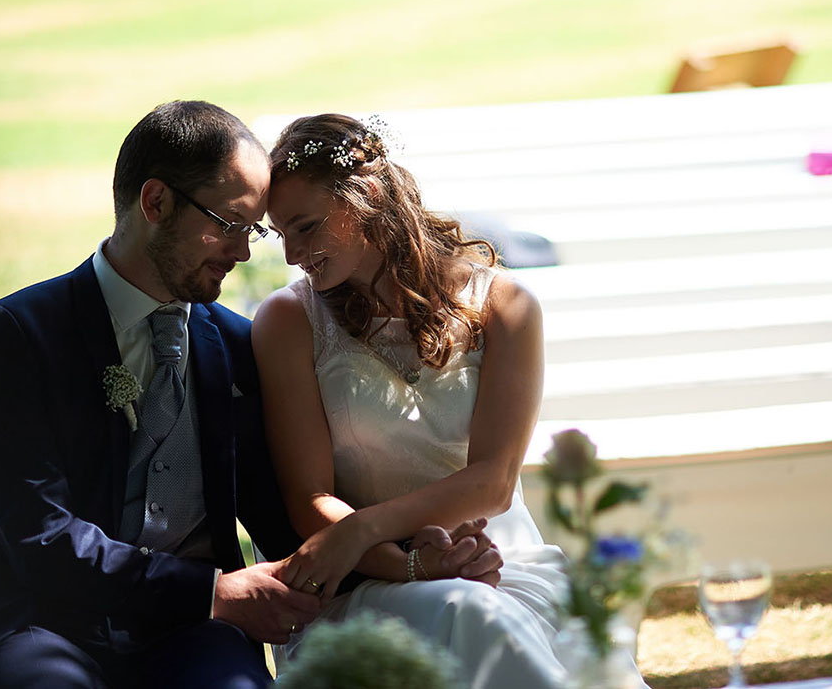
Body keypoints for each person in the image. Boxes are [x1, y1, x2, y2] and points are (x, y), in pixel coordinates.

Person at [0, 101, 497, 689]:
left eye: (253, 230)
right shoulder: (19, 334)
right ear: (156, 203)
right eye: (230, 223)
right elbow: (39, 537)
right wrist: (211, 591)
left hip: (192, 635)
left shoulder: (235, 345)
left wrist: (417, 560)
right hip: (41, 623)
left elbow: (288, 522)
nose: (246, 252)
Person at [252, 113, 649, 688]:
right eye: (280, 232)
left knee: (546, 637)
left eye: (306, 227)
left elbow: (492, 482)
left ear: (364, 198)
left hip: (504, 563)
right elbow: (310, 499)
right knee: (470, 615)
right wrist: (405, 561)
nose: (292, 255)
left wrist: (362, 528)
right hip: (370, 585)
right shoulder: (290, 320)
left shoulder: (506, 307)